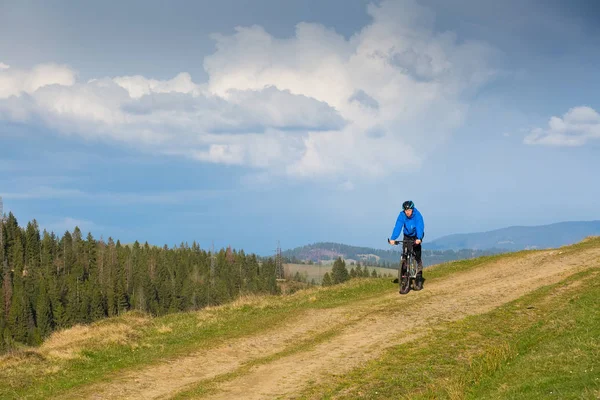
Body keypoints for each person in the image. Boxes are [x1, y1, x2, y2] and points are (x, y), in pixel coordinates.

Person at [388, 200, 425, 291]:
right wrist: (393, 238)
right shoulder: (402, 215)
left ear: (412, 209)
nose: (407, 212)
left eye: (408, 210)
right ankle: (405, 276)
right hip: (407, 236)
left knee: (417, 255)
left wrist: (419, 238)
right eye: (405, 210)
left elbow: (420, 226)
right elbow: (398, 226)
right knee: (405, 253)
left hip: (416, 235)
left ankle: (419, 276)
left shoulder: (417, 215)